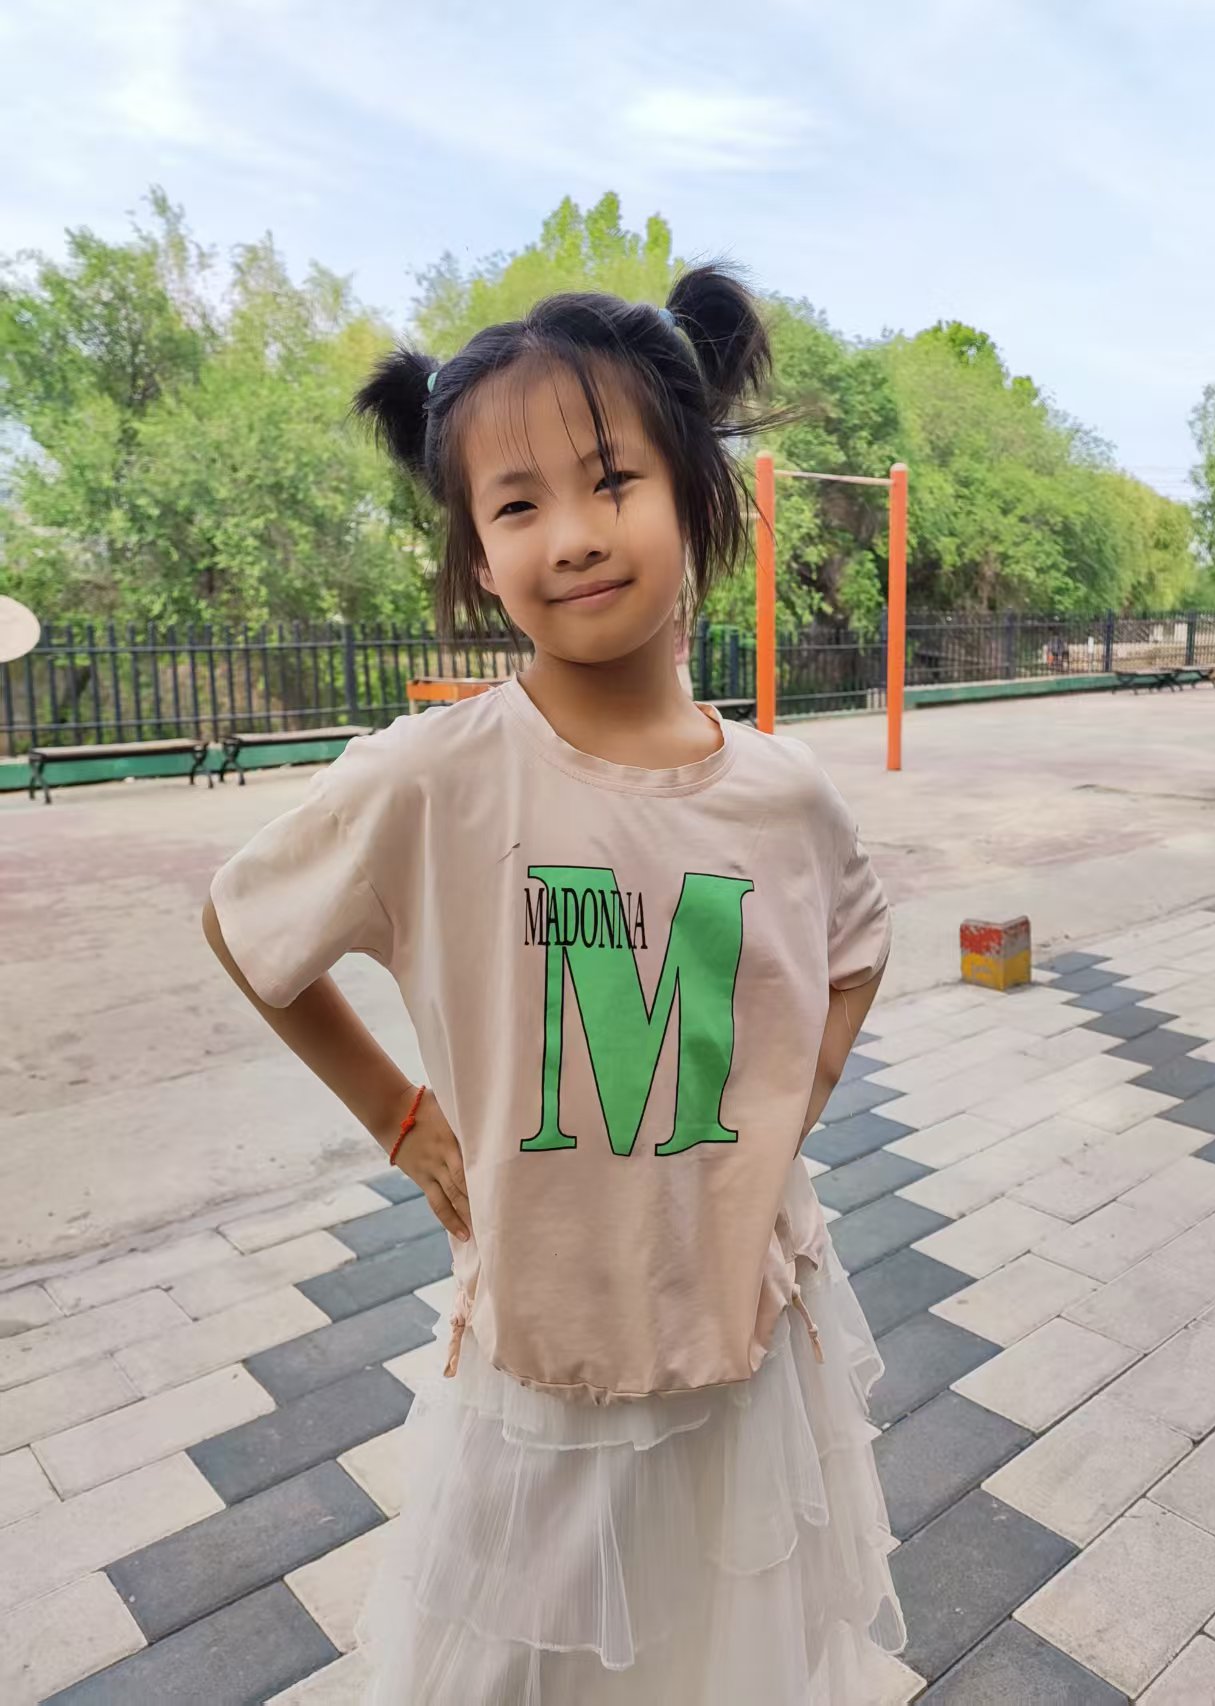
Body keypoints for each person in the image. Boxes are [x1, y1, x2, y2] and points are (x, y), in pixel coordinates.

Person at [203, 265, 904, 1705]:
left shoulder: (784, 792)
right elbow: (245, 922)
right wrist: (400, 1117)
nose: (573, 535)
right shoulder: (436, 778)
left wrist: (792, 1103)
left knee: (731, 1657)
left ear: (693, 488)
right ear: (475, 549)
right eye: (517, 504)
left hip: (746, 1341)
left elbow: (854, 943)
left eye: (612, 479)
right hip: (543, 1371)